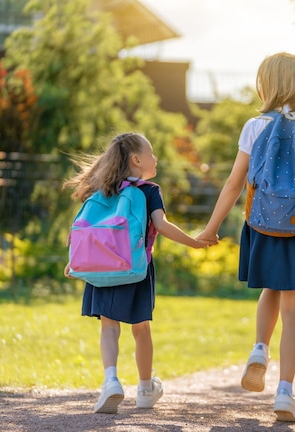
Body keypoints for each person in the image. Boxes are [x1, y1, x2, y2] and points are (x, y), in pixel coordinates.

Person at [197, 52, 295, 422]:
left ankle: (260, 348)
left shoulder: (255, 125)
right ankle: (285, 392)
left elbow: (234, 184)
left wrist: (211, 228)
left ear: (265, 84)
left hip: (261, 222)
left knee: (270, 291)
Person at [64, 132, 216, 414]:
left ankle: (111, 381)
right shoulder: (149, 190)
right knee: (141, 329)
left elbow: (90, 229)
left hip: (100, 270)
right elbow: (162, 224)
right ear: (136, 159)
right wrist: (195, 242)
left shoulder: (105, 188)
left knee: (109, 327)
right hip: (134, 269)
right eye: (152, 153)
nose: (155, 158)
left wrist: (74, 261)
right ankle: (145, 388)